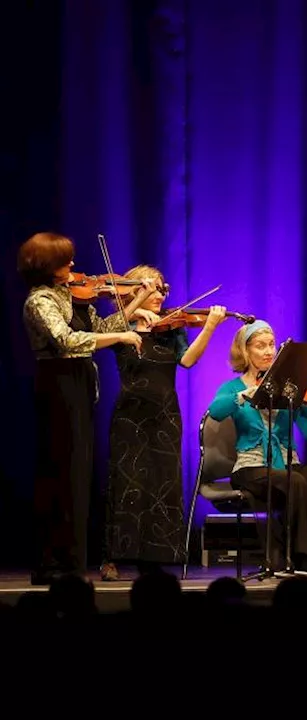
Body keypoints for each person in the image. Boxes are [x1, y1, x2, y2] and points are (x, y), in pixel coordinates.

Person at [18, 232, 150, 584]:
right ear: (46, 265)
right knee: (61, 472)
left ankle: (72, 563)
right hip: (57, 382)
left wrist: (136, 302)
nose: (74, 265)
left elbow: (104, 328)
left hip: (79, 383)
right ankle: (55, 563)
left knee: (79, 475)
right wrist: (121, 337)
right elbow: (66, 341)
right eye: (66, 260)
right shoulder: (39, 300)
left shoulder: (72, 294)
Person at [206, 320, 307, 574]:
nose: (268, 351)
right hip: (251, 469)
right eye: (260, 346)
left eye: (272, 345)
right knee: (295, 481)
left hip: (288, 466)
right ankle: (304, 559)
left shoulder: (291, 387)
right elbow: (216, 412)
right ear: (245, 351)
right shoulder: (232, 388)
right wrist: (244, 395)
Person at [99, 264, 230, 581]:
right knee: (126, 483)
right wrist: (133, 307)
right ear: (134, 290)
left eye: (162, 289)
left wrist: (210, 327)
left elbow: (186, 361)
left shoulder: (173, 327)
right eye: (151, 288)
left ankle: (153, 557)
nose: (159, 295)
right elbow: (101, 330)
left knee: (161, 483)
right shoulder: (121, 326)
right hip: (130, 414)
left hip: (165, 414)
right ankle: (111, 557)